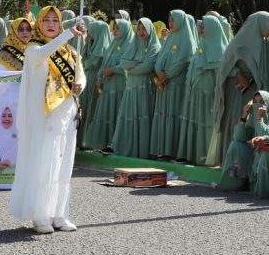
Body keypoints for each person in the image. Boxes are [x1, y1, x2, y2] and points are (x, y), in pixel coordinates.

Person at [9, 6, 86, 234]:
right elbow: (43, 55)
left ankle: (60, 214)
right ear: (39, 23)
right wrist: (68, 34)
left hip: (66, 114)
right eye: (47, 20)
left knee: (63, 166)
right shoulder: (33, 48)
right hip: (43, 116)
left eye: (55, 20)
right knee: (45, 163)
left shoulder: (70, 52)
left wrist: (81, 84)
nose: (51, 24)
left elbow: (81, 73)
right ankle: (41, 216)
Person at [207, 11, 269, 166]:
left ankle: (247, 166)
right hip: (236, 92)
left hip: (254, 91)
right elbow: (224, 67)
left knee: (252, 125)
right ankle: (231, 163)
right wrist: (238, 74)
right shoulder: (238, 42)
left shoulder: (263, 44)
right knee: (236, 123)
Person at [177, 16, 228, 164]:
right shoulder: (201, 46)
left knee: (206, 125)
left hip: (208, 96)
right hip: (195, 94)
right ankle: (192, 155)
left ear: (212, 29)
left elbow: (219, 78)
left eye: (204, 27)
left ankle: (206, 157)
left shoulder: (219, 50)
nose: (201, 30)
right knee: (194, 122)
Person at [110, 18, 162, 158]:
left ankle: (142, 151)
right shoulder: (134, 44)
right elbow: (123, 61)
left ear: (150, 30)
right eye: (139, 29)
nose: (141, 32)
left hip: (145, 89)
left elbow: (149, 65)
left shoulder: (154, 46)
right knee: (129, 117)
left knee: (142, 117)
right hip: (131, 88)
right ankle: (126, 148)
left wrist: (133, 68)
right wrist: (136, 64)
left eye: (144, 29)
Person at [150, 10, 197, 159]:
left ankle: (172, 150)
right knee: (163, 115)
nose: (170, 23)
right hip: (163, 84)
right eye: (169, 20)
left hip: (176, 85)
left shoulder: (187, 40)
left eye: (173, 20)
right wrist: (159, 71)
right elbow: (159, 57)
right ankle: (162, 149)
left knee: (173, 115)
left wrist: (167, 75)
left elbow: (183, 61)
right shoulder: (170, 37)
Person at [83, 19, 134, 150]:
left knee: (116, 114)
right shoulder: (113, 44)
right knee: (107, 114)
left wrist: (112, 70)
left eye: (118, 28)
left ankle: (116, 145)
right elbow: (105, 62)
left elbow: (129, 66)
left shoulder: (130, 45)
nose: (115, 31)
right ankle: (104, 144)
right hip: (108, 86)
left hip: (120, 86)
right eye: (114, 28)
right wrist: (101, 75)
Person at [219, 91, 269, 198]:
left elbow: (265, 137)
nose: (257, 105)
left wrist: (260, 120)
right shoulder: (254, 118)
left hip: (266, 153)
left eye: (261, 102)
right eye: (255, 102)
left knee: (265, 152)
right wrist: (244, 116)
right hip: (256, 153)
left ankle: (263, 190)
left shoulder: (261, 118)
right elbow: (238, 137)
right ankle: (234, 183)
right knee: (235, 145)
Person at [76, 20, 111, 143]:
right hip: (87, 79)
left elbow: (92, 62)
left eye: (91, 31)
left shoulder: (104, 46)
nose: (89, 33)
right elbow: (83, 57)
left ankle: (88, 140)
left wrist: (85, 64)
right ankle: (81, 139)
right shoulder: (92, 43)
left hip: (96, 80)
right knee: (84, 108)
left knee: (92, 109)